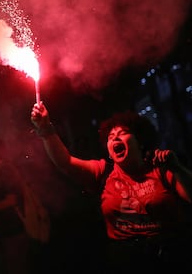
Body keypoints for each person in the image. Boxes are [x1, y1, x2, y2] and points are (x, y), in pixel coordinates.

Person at [30, 102, 192, 273]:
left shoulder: (161, 169)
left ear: (140, 142)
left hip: (169, 259)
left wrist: (177, 168)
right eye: (111, 136)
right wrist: (46, 129)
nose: (115, 138)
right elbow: (66, 162)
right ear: (109, 151)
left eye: (123, 134)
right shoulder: (103, 172)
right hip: (126, 261)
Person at [0, 136, 48, 274]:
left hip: (15, 232)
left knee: (17, 268)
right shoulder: (0, 172)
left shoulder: (6, 170)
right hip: (10, 233)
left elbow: (11, 201)